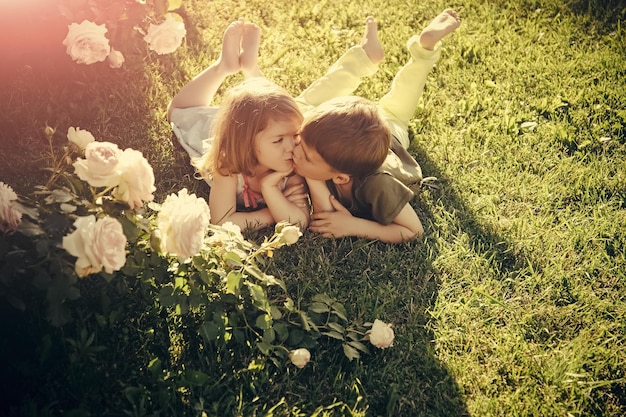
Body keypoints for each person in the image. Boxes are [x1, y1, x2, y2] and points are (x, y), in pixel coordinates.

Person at [292, 9, 461, 243]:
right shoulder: (319, 154)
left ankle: (423, 50)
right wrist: (309, 167)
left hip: (392, 138)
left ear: (341, 178)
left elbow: (413, 231)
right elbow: (323, 211)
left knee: (398, 106)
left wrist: (354, 225)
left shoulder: (378, 186)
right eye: (299, 142)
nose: (294, 149)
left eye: (306, 155)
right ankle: (365, 57)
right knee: (298, 107)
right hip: (358, 136)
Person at [167, 19, 310, 231]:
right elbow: (222, 221)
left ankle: (252, 68)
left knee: (268, 108)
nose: (291, 146)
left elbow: (299, 221)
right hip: (217, 128)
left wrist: (270, 189)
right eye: (279, 140)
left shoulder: (291, 164)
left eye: (295, 135)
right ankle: (222, 67)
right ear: (247, 144)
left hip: (253, 121)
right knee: (177, 112)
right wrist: (273, 213)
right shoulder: (228, 165)